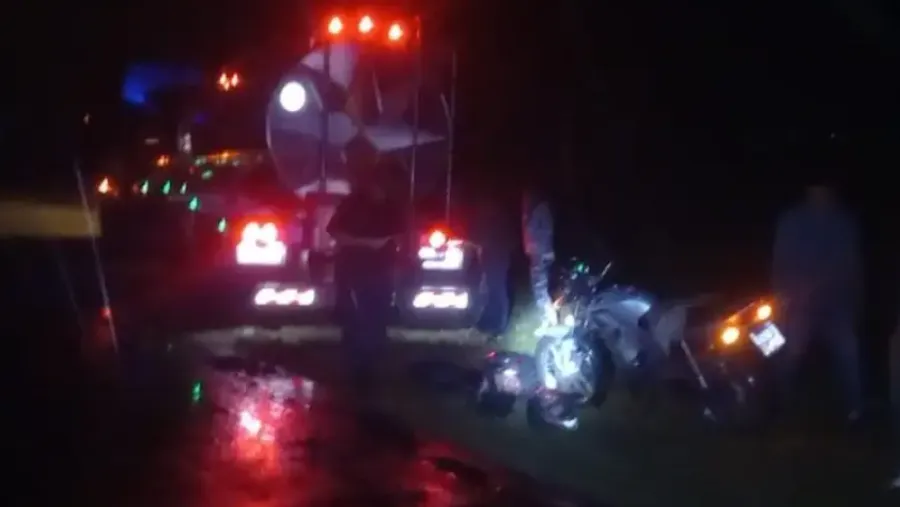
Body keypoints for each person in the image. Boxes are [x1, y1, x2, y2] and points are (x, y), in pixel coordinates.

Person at [772, 179, 864, 423]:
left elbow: (850, 265)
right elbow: (780, 262)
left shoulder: (843, 222)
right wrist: (782, 297)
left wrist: (853, 299)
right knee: (787, 351)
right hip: (798, 305)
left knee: (849, 352)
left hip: (835, 304)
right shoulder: (791, 220)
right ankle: (780, 407)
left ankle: (855, 410)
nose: (820, 192)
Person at [327, 162, 406, 394]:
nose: (380, 189)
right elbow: (334, 232)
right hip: (354, 270)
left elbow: (398, 237)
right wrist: (366, 243)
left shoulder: (393, 208)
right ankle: (358, 372)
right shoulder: (353, 204)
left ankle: (371, 369)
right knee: (357, 320)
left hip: (381, 271)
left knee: (376, 319)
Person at [469, 192, 515, 340]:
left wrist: (476, 244)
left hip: (497, 257)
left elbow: (488, 239)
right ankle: (489, 321)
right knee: (491, 290)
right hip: (493, 256)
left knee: (498, 290)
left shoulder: (497, 220)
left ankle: (500, 326)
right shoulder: (494, 218)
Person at [522, 185, 558, 332]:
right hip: (537, 254)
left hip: (541, 254)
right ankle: (549, 318)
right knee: (539, 287)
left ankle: (548, 320)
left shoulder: (541, 209)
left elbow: (546, 231)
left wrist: (539, 249)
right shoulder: (532, 211)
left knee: (540, 288)